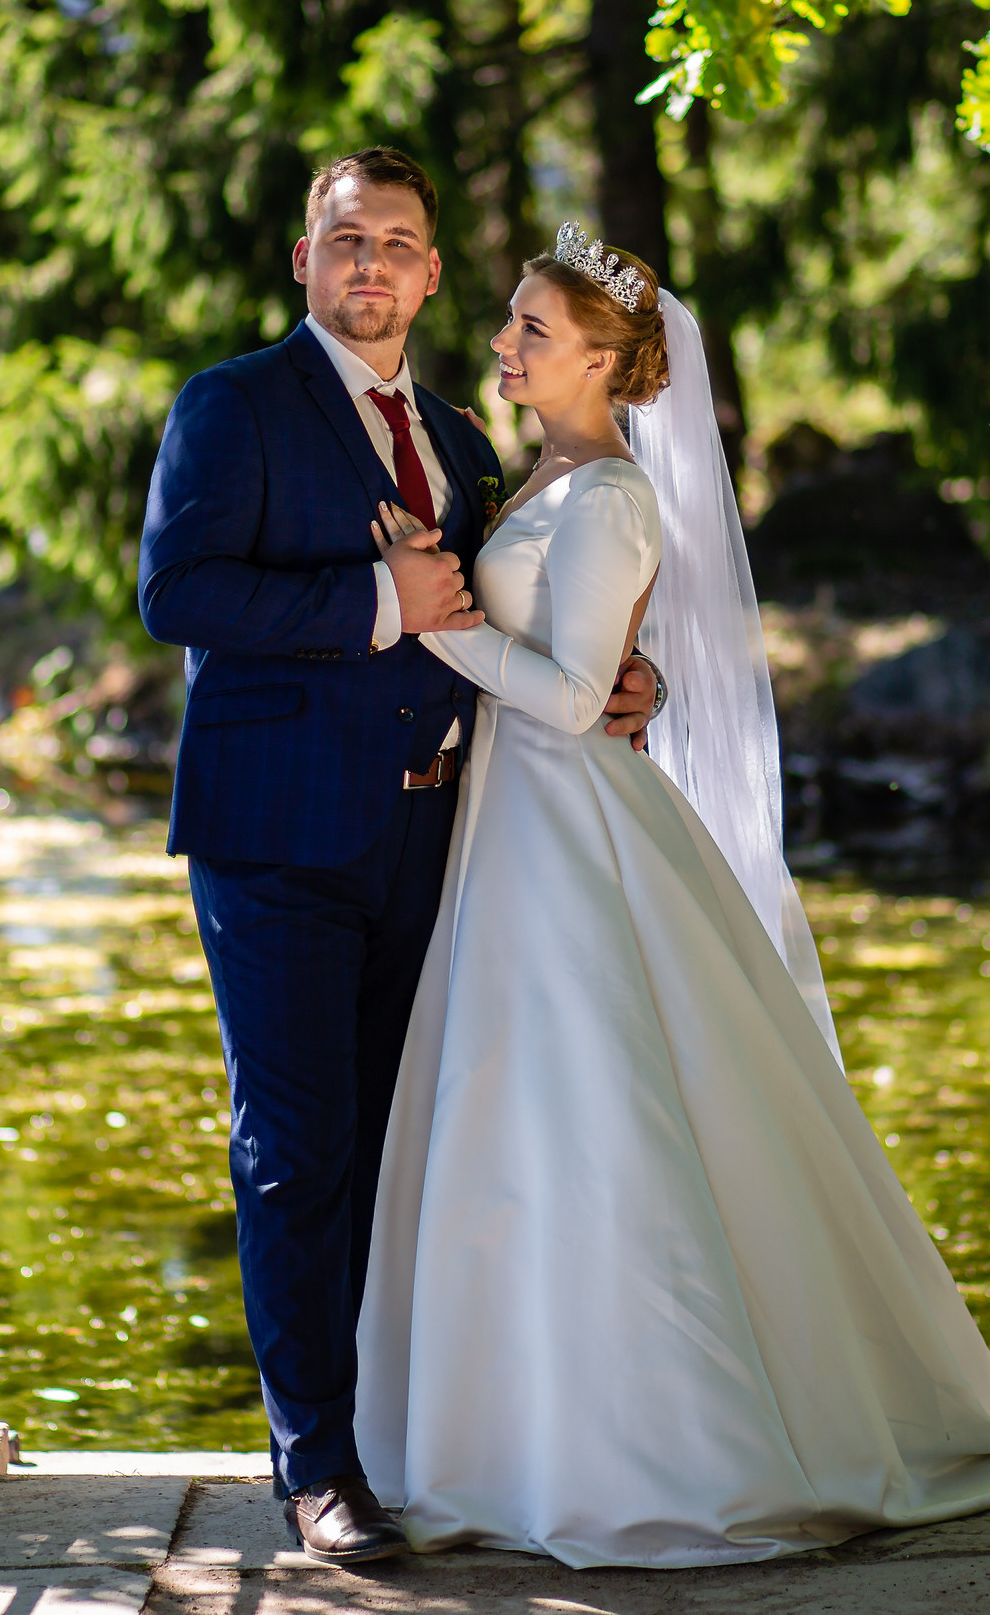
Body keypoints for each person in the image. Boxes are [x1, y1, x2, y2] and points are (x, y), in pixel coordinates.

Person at [353, 225, 990, 1567]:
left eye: (534, 334)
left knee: (598, 1121)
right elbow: (592, 663)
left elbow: (568, 695)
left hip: (565, 833)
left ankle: (660, 1446)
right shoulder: (543, 478)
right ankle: (518, 1439)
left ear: (610, 365)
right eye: (509, 322)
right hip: (513, 832)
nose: (504, 345)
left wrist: (442, 620)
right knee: (516, 1129)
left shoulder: (612, 495)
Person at [138, 153, 661, 1564]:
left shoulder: (461, 440)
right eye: (346, 241)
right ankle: (316, 1468)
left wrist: (631, 680)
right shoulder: (232, 406)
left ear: (432, 275)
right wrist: (374, 598)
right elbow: (174, 593)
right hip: (276, 839)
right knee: (297, 1150)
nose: (370, 265)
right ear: (302, 260)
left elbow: (537, 608)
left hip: (444, 834)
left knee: (405, 1146)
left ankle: (406, 1437)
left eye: (400, 246)